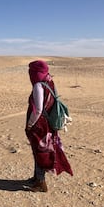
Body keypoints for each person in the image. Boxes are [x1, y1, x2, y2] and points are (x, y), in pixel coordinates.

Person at [25, 60, 73, 192]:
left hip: (40, 125)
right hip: (48, 124)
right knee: (40, 150)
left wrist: (30, 124)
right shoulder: (49, 81)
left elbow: (39, 109)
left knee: (40, 152)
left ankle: (40, 183)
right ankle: (36, 178)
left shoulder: (38, 86)